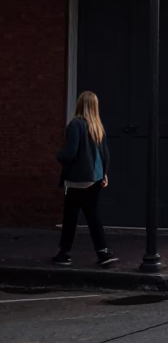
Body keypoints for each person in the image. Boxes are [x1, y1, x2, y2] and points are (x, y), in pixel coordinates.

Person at [53, 91, 118, 267]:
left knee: (70, 217)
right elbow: (106, 154)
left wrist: (59, 156)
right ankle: (103, 253)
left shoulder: (76, 125)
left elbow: (70, 153)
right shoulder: (97, 126)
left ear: (80, 104)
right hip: (95, 179)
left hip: (76, 180)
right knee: (93, 216)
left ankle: (64, 254)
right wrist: (104, 173)